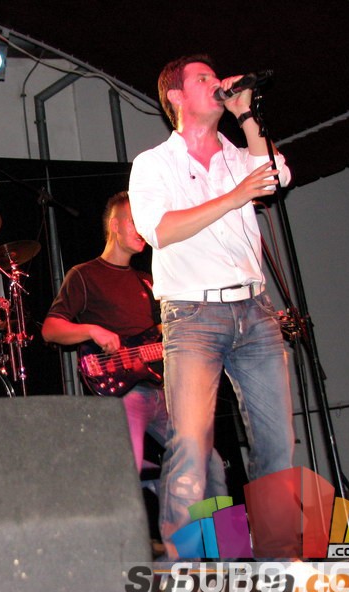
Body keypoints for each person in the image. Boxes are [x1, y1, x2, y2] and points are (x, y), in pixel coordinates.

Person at [128, 55, 295, 559]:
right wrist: (234, 197)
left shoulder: (238, 156)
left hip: (255, 309)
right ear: (175, 96)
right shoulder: (154, 163)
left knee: (277, 440)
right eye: (203, 78)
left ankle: (277, 555)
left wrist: (246, 116)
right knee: (192, 445)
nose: (217, 83)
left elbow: (276, 177)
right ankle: (185, 565)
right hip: (193, 316)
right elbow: (160, 230)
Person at [41, 191, 225, 489]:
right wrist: (92, 330)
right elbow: (50, 329)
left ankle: (214, 523)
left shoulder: (148, 280)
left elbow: (163, 331)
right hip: (126, 393)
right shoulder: (84, 275)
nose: (143, 230)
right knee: (129, 468)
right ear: (115, 225)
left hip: (164, 391)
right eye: (135, 222)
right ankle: (140, 494)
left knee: (211, 463)